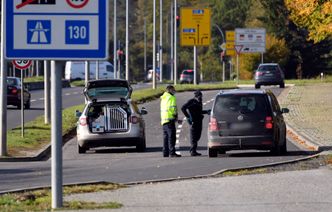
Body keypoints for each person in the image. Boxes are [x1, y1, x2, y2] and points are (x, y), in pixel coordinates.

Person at [181, 90, 208, 156]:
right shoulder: (191, 101)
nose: (200, 97)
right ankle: (193, 151)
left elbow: (199, 111)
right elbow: (183, 108)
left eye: (201, 96)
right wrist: (188, 117)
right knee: (193, 136)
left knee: (198, 136)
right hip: (193, 121)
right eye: (199, 96)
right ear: (196, 96)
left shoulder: (200, 102)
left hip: (199, 121)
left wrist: (206, 111)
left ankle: (193, 150)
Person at [160, 85, 181, 157]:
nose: (174, 91)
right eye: (173, 89)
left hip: (164, 120)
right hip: (170, 119)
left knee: (165, 137)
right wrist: (175, 116)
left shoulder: (163, 98)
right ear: (170, 90)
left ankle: (165, 153)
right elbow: (172, 108)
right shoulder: (171, 97)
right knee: (171, 137)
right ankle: (172, 152)